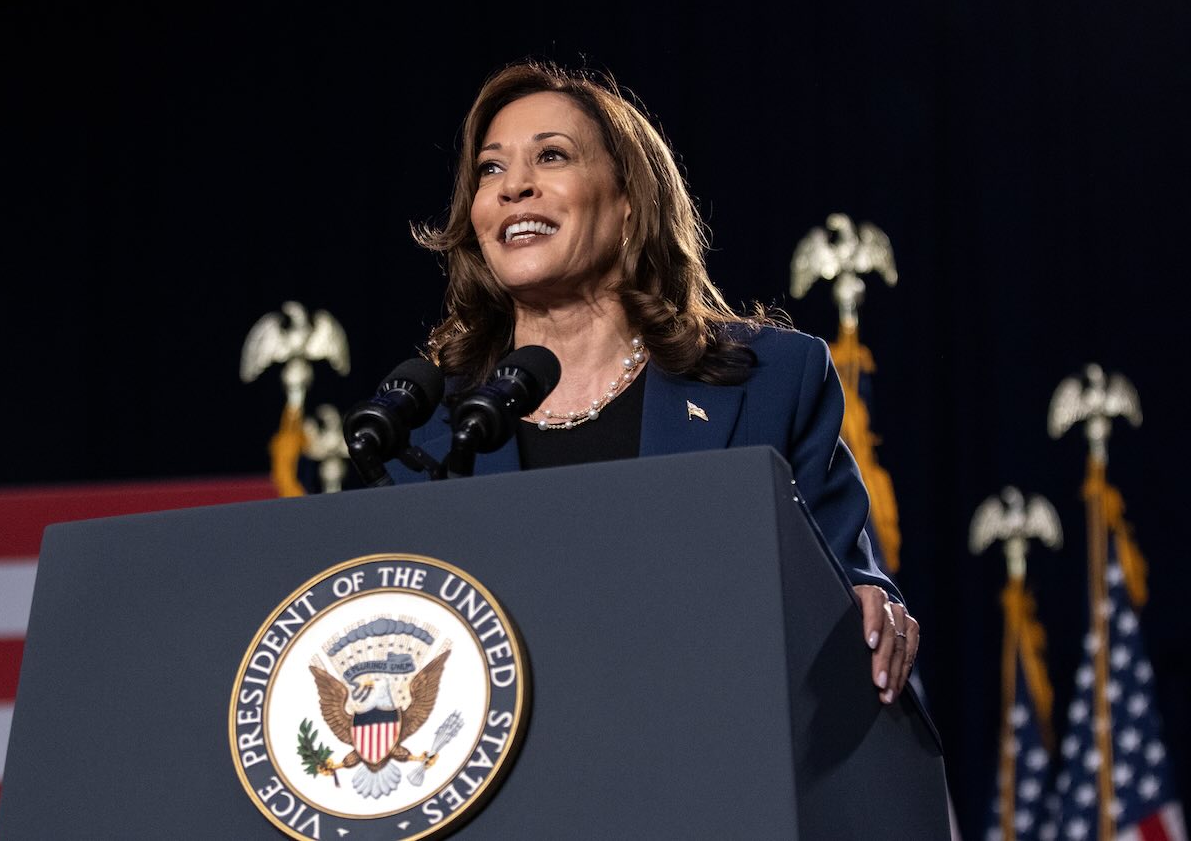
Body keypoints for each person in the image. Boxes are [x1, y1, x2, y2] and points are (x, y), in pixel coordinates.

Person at [389, 59, 919, 706]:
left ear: (630, 203)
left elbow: (840, 583)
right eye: (491, 169)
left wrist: (872, 606)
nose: (513, 187)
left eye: (551, 157)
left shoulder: (771, 383)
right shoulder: (426, 430)